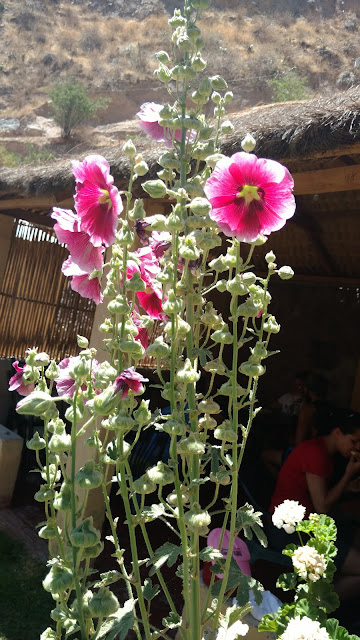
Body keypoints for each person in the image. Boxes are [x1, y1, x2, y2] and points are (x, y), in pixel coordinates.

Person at [268, 406, 360, 599]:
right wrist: (348, 475)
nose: (356, 447)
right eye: (353, 441)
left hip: (308, 525)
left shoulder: (324, 452)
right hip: (289, 531)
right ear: (337, 433)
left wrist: (347, 487)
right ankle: (316, 602)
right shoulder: (315, 454)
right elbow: (322, 506)